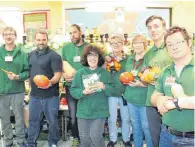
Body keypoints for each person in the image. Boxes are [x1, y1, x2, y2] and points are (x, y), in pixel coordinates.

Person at [151, 26, 194, 147]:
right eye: (169, 44)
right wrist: (159, 99)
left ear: (188, 42)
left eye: (178, 42)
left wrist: (177, 102)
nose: (174, 47)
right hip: (166, 134)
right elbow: (154, 96)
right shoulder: (166, 71)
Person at [70, 45, 113, 147]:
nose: (92, 58)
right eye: (89, 55)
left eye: (95, 55)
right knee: (84, 138)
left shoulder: (105, 73)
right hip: (83, 111)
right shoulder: (80, 73)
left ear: (99, 58)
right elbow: (73, 91)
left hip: (100, 111)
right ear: (85, 58)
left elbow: (112, 91)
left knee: (95, 136)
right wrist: (83, 92)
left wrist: (104, 87)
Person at [27, 30, 62, 147]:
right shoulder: (30, 55)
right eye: (38, 40)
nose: (41, 42)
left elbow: (58, 74)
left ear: (47, 40)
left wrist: (50, 82)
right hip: (35, 96)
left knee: (52, 121)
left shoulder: (54, 56)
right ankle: (31, 143)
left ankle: (53, 142)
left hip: (51, 95)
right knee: (33, 121)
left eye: (43, 40)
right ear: (34, 41)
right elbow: (28, 73)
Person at [144, 15, 172, 147]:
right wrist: (145, 77)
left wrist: (161, 80)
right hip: (151, 101)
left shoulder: (171, 48)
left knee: (170, 138)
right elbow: (145, 75)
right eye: (149, 28)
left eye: (156, 26)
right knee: (155, 137)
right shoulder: (149, 53)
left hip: (169, 99)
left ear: (164, 28)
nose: (153, 30)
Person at [0, 27, 29, 147]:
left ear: (15, 36)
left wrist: (18, 76)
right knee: (4, 119)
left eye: (11, 34)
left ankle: (21, 140)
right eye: (6, 34)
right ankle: (8, 141)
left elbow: (27, 72)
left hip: (17, 91)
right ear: (3, 37)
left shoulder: (22, 54)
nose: (8, 36)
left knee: (19, 118)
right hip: (2, 92)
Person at [123, 34, 154, 147]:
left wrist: (142, 84)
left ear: (145, 44)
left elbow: (154, 79)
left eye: (140, 42)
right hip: (131, 98)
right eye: (135, 43)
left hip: (144, 99)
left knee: (147, 127)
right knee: (135, 126)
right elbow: (127, 74)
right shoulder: (129, 59)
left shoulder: (149, 59)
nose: (137, 45)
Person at [62, 24, 88, 147]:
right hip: (71, 87)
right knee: (73, 116)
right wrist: (64, 75)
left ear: (80, 32)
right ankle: (76, 138)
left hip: (87, 87)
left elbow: (94, 67)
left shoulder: (89, 47)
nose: (72, 35)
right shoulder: (66, 48)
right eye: (70, 33)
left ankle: (87, 138)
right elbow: (62, 65)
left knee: (87, 114)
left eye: (74, 32)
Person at [105, 34, 132, 147]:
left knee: (126, 118)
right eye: (113, 43)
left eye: (119, 43)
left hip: (125, 93)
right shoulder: (107, 59)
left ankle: (126, 139)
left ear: (123, 44)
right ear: (110, 45)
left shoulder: (129, 58)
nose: (116, 45)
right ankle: (113, 139)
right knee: (112, 118)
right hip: (111, 92)